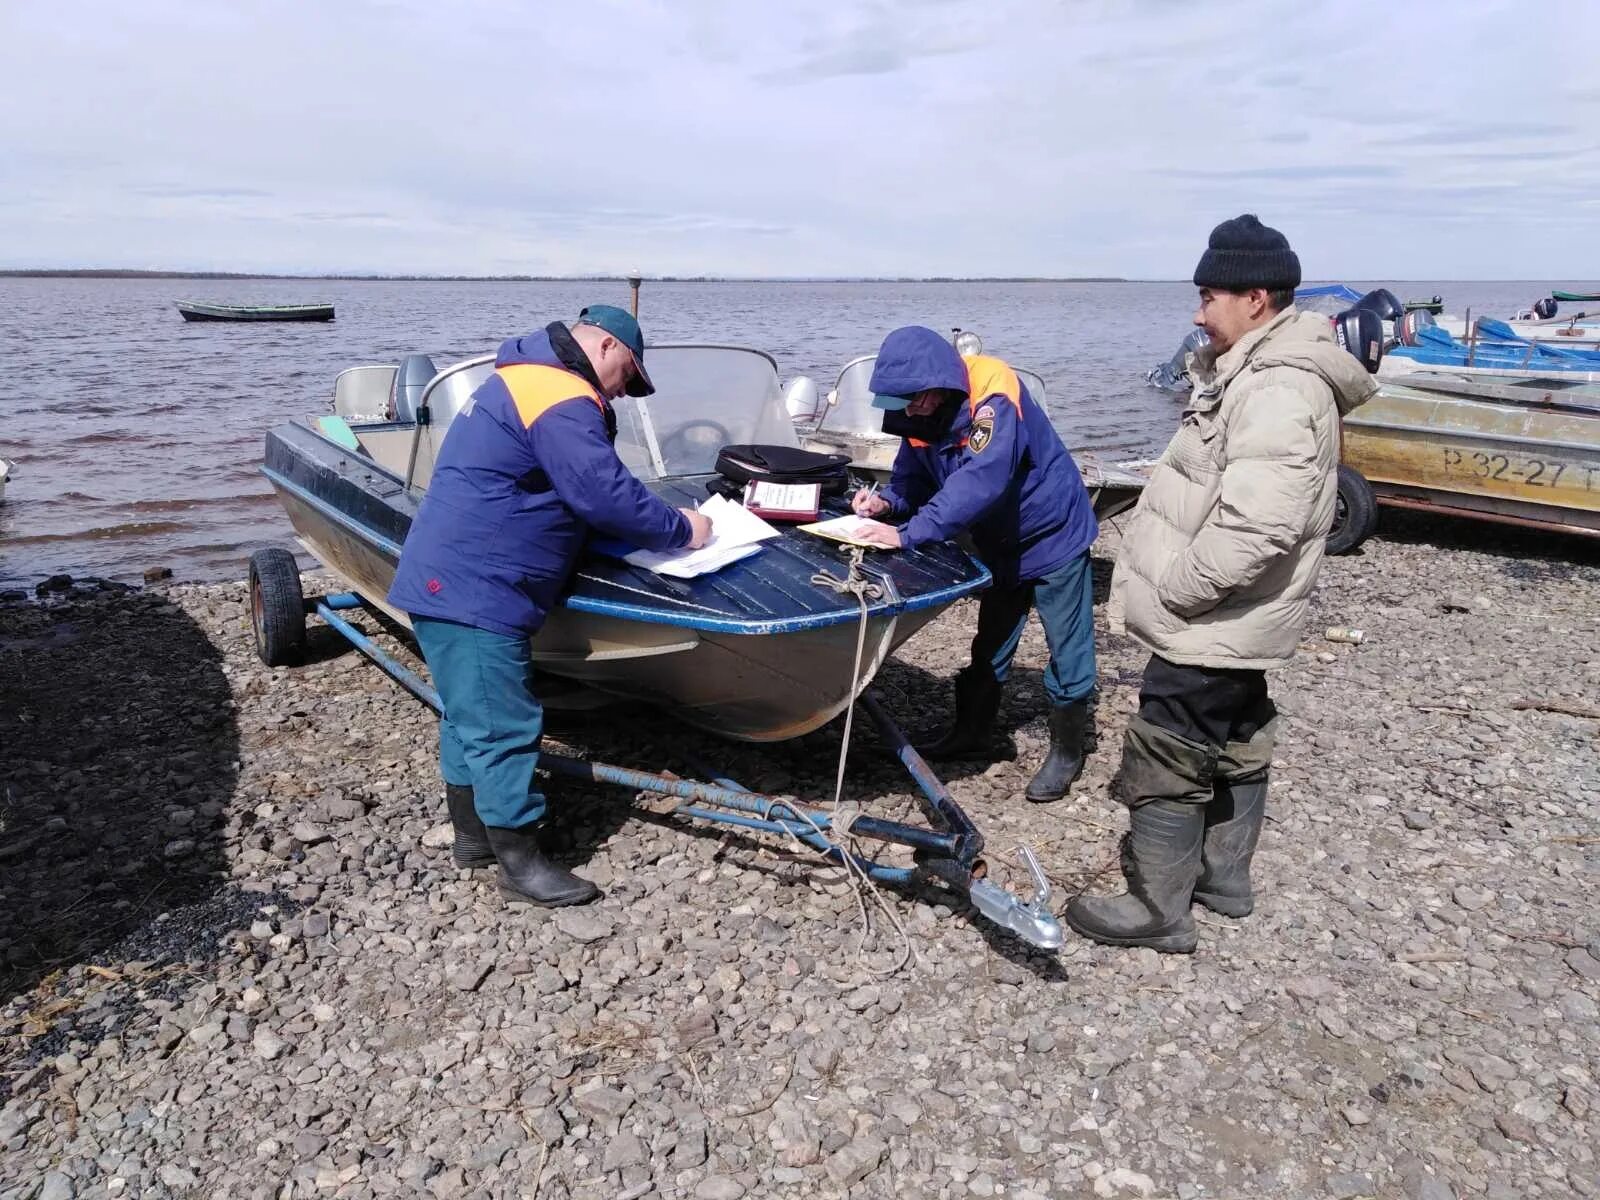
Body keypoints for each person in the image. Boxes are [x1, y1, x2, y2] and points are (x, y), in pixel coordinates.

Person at [1065, 214, 1377, 953]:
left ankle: (1157, 909)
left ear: (1257, 299)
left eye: (1210, 296)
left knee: (1168, 743)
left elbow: (1261, 526)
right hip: (1237, 618)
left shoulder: (1277, 388)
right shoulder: (1259, 373)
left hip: (1212, 617)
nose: (1199, 312)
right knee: (1236, 733)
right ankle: (1222, 878)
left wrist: (1178, 590)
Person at [388, 306, 712, 907]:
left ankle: (474, 840)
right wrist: (680, 529)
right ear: (610, 347)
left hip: (448, 576)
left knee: (468, 715)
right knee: (503, 723)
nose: (622, 392)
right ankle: (520, 861)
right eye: (628, 378)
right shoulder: (561, 392)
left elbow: (556, 489)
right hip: (478, 587)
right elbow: (601, 493)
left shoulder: (521, 375)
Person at [851, 325, 1100, 802]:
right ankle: (971, 733)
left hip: (1053, 533)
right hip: (1000, 542)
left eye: (912, 401)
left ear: (935, 388)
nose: (907, 411)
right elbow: (912, 481)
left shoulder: (993, 391)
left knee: (1067, 649)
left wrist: (907, 535)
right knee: (990, 642)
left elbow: (980, 480)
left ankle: (1068, 751)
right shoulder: (919, 414)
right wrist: (887, 506)